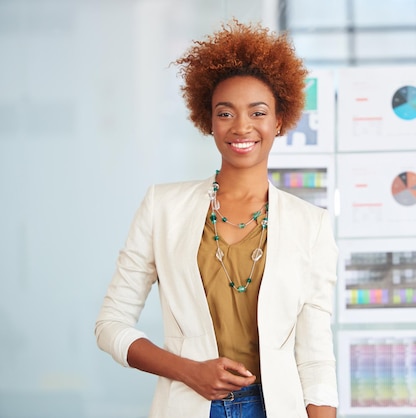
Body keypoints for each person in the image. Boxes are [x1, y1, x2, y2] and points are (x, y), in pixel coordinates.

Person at [95, 19, 339, 418]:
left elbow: (315, 357)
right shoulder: (163, 207)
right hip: (187, 405)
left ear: (279, 121)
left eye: (257, 112)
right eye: (225, 113)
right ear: (208, 120)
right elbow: (110, 325)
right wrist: (188, 371)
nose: (242, 126)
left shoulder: (310, 225)